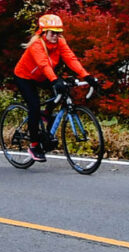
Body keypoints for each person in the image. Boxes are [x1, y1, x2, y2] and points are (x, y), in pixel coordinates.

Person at [12, 13, 90, 162]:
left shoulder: (60, 42)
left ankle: (46, 113)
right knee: (34, 106)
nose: (56, 36)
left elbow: (71, 59)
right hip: (24, 77)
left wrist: (86, 76)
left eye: (58, 33)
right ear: (43, 32)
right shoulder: (37, 44)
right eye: (52, 33)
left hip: (43, 75)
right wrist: (54, 80)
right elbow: (43, 64)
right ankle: (34, 145)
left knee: (64, 88)